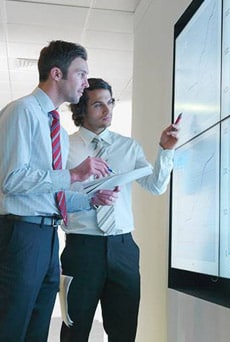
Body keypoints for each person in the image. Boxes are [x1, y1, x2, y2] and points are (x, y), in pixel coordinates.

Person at [0, 40, 115, 341]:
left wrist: (91, 200)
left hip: (49, 237)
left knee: (38, 327)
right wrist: (74, 173)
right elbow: (12, 180)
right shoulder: (21, 112)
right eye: (81, 73)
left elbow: (52, 195)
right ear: (56, 74)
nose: (86, 82)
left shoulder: (59, 131)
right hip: (21, 235)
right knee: (12, 325)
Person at [60, 78, 179, 341]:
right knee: (74, 330)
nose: (107, 110)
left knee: (123, 332)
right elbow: (54, 199)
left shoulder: (128, 147)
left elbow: (155, 186)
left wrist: (165, 151)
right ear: (81, 110)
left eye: (110, 102)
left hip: (123, 248)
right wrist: (88, 197)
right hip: (82, 249)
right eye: (98, 105)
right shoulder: (65, 147)